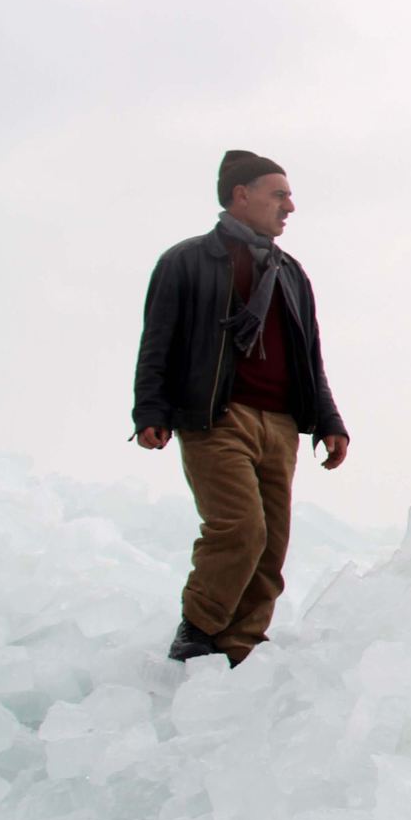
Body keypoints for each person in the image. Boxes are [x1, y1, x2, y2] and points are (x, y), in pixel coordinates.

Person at [132, 151, 350, 663]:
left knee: (271, 546)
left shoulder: (291, 273)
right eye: (279, 195)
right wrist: (150, 411)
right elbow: (158, 342)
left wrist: (329, 420)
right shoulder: (185, 261)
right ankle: (199, 627)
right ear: (240, 195)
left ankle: (240, 647)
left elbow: (309, 356)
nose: (290, 206)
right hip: (217, 418)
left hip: (282, 424)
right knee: (239, 529)